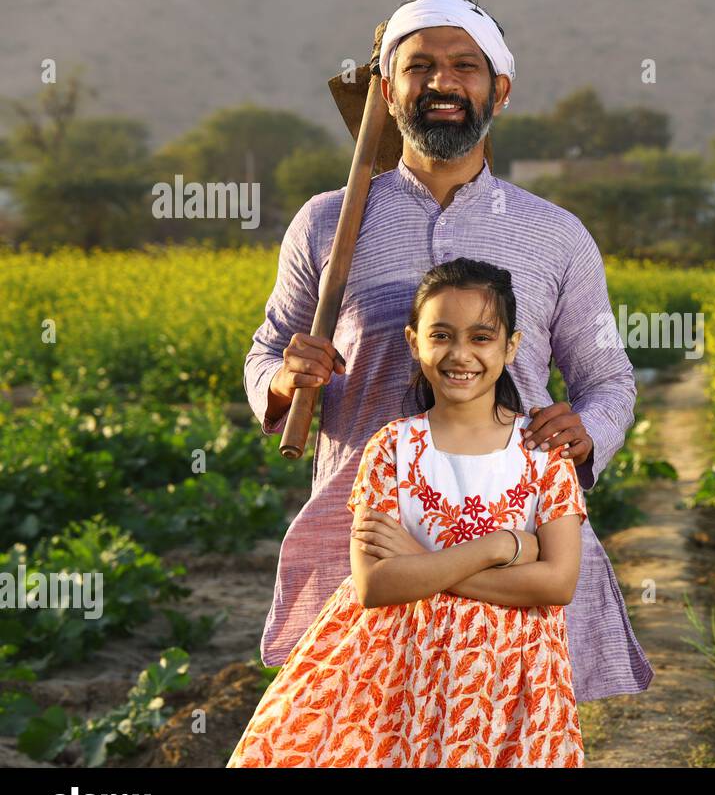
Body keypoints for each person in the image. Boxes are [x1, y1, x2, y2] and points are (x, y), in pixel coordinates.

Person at [244, 0, 653, 703]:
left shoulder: (556, 234)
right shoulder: (326, 224)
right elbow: (267, 350)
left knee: (499, 731)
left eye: (465, 66)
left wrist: (589, 429)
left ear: (500, 89)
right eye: (420, 66)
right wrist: (282, 379)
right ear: (387, 89)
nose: (442, 83)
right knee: (369, 735)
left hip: (514, 544)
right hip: (368, 543)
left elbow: (609, 379)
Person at [229, 258, 586, 766]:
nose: (460, 354)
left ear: (511, 346)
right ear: (413, 341)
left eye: (482, 338)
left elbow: (556, 584)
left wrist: (420, 563)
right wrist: (499, 547)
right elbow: (375, 585)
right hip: (397, 675)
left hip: (511, 679)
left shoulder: (542, 452)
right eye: (441, 335)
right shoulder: (391, 448)